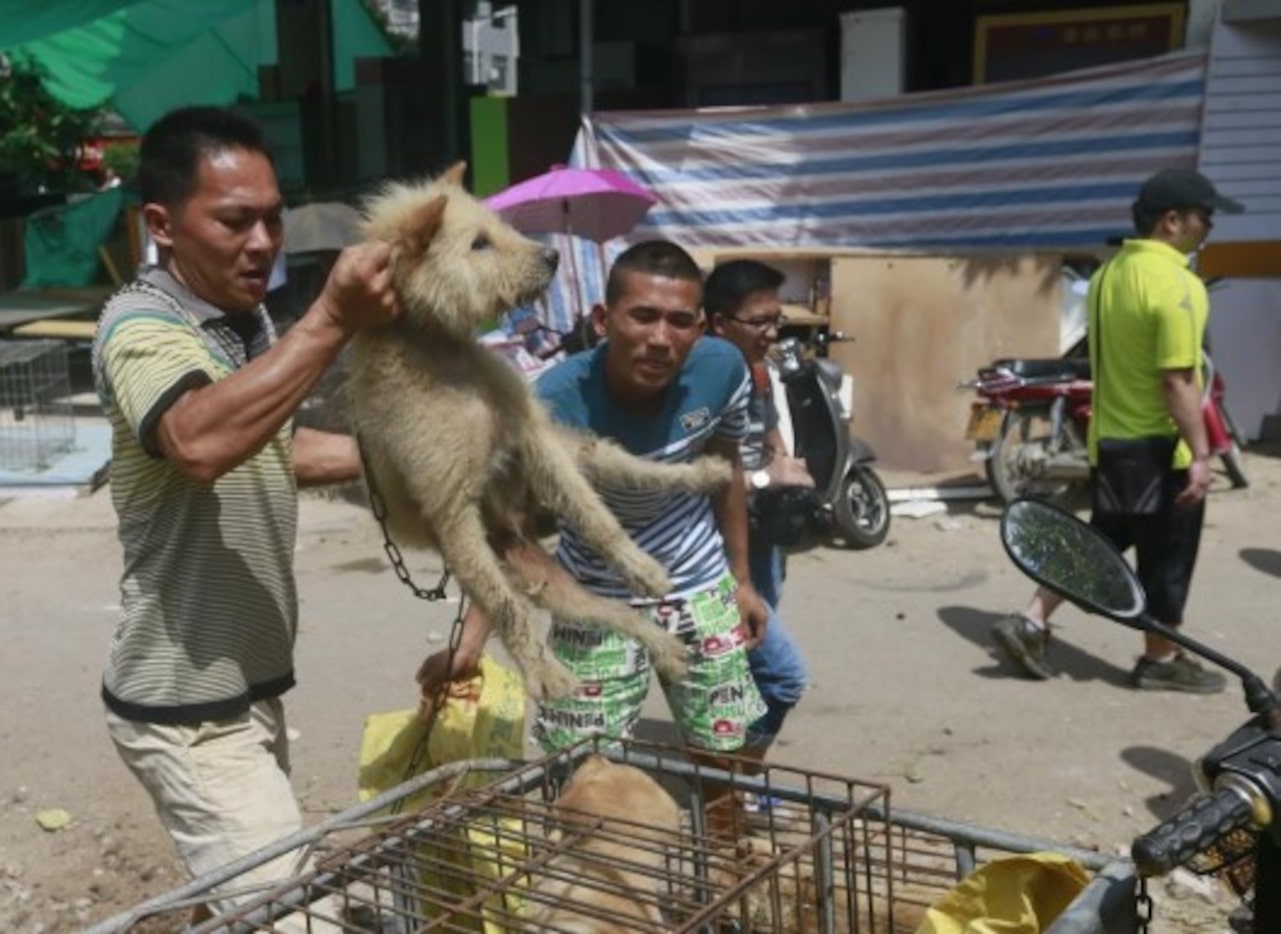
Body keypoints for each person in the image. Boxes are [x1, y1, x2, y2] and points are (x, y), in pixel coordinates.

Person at [91, 106, 397, 909]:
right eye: (234, 221)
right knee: (295, 918)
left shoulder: (243, 320)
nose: (262, 243)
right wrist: (331, 318)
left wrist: (396, 463)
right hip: (185, 711)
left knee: (253, 900)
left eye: (271, 219)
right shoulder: (139, 326)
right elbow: (197, 442)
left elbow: (272, 446)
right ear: (162, 224)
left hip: (246, 686)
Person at [418, 240, 771, 797]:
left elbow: (724, 467)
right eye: (644, 316)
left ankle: (727, 862)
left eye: (681, 321)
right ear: (605, 319)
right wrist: (471, 642)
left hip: (700, 586)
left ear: (701, 328)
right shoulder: (550, 400)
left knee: (722, 759)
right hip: (595, 598)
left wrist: (743, 580)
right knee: (582, 772)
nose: (661, 338)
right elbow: (503, 526)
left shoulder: (723, 370)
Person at [991, 168, 1244, 694]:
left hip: (1111, 441)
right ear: (1172, 221)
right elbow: (1176, 378)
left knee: (1105, 540)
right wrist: (1201, 453)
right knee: (1169, 557)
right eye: (1205, 217)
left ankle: (1031, 619)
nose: (1210, 227)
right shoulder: (1178, 284)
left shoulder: (1109, 273)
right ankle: (1160, 659)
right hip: (1160, 450)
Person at [704, 259, 817, 774]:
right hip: (715, 552)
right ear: (718, 320)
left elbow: (770, 436)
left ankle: (724, 773)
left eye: (777, 321)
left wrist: (783, 464)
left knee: (743, 664)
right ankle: (735, 782)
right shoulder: (697, 381)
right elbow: (699, 479)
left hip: (761, 539)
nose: (771, 333)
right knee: (783, 675)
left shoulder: (758, 371)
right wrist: (771, 479)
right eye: (760, 322)